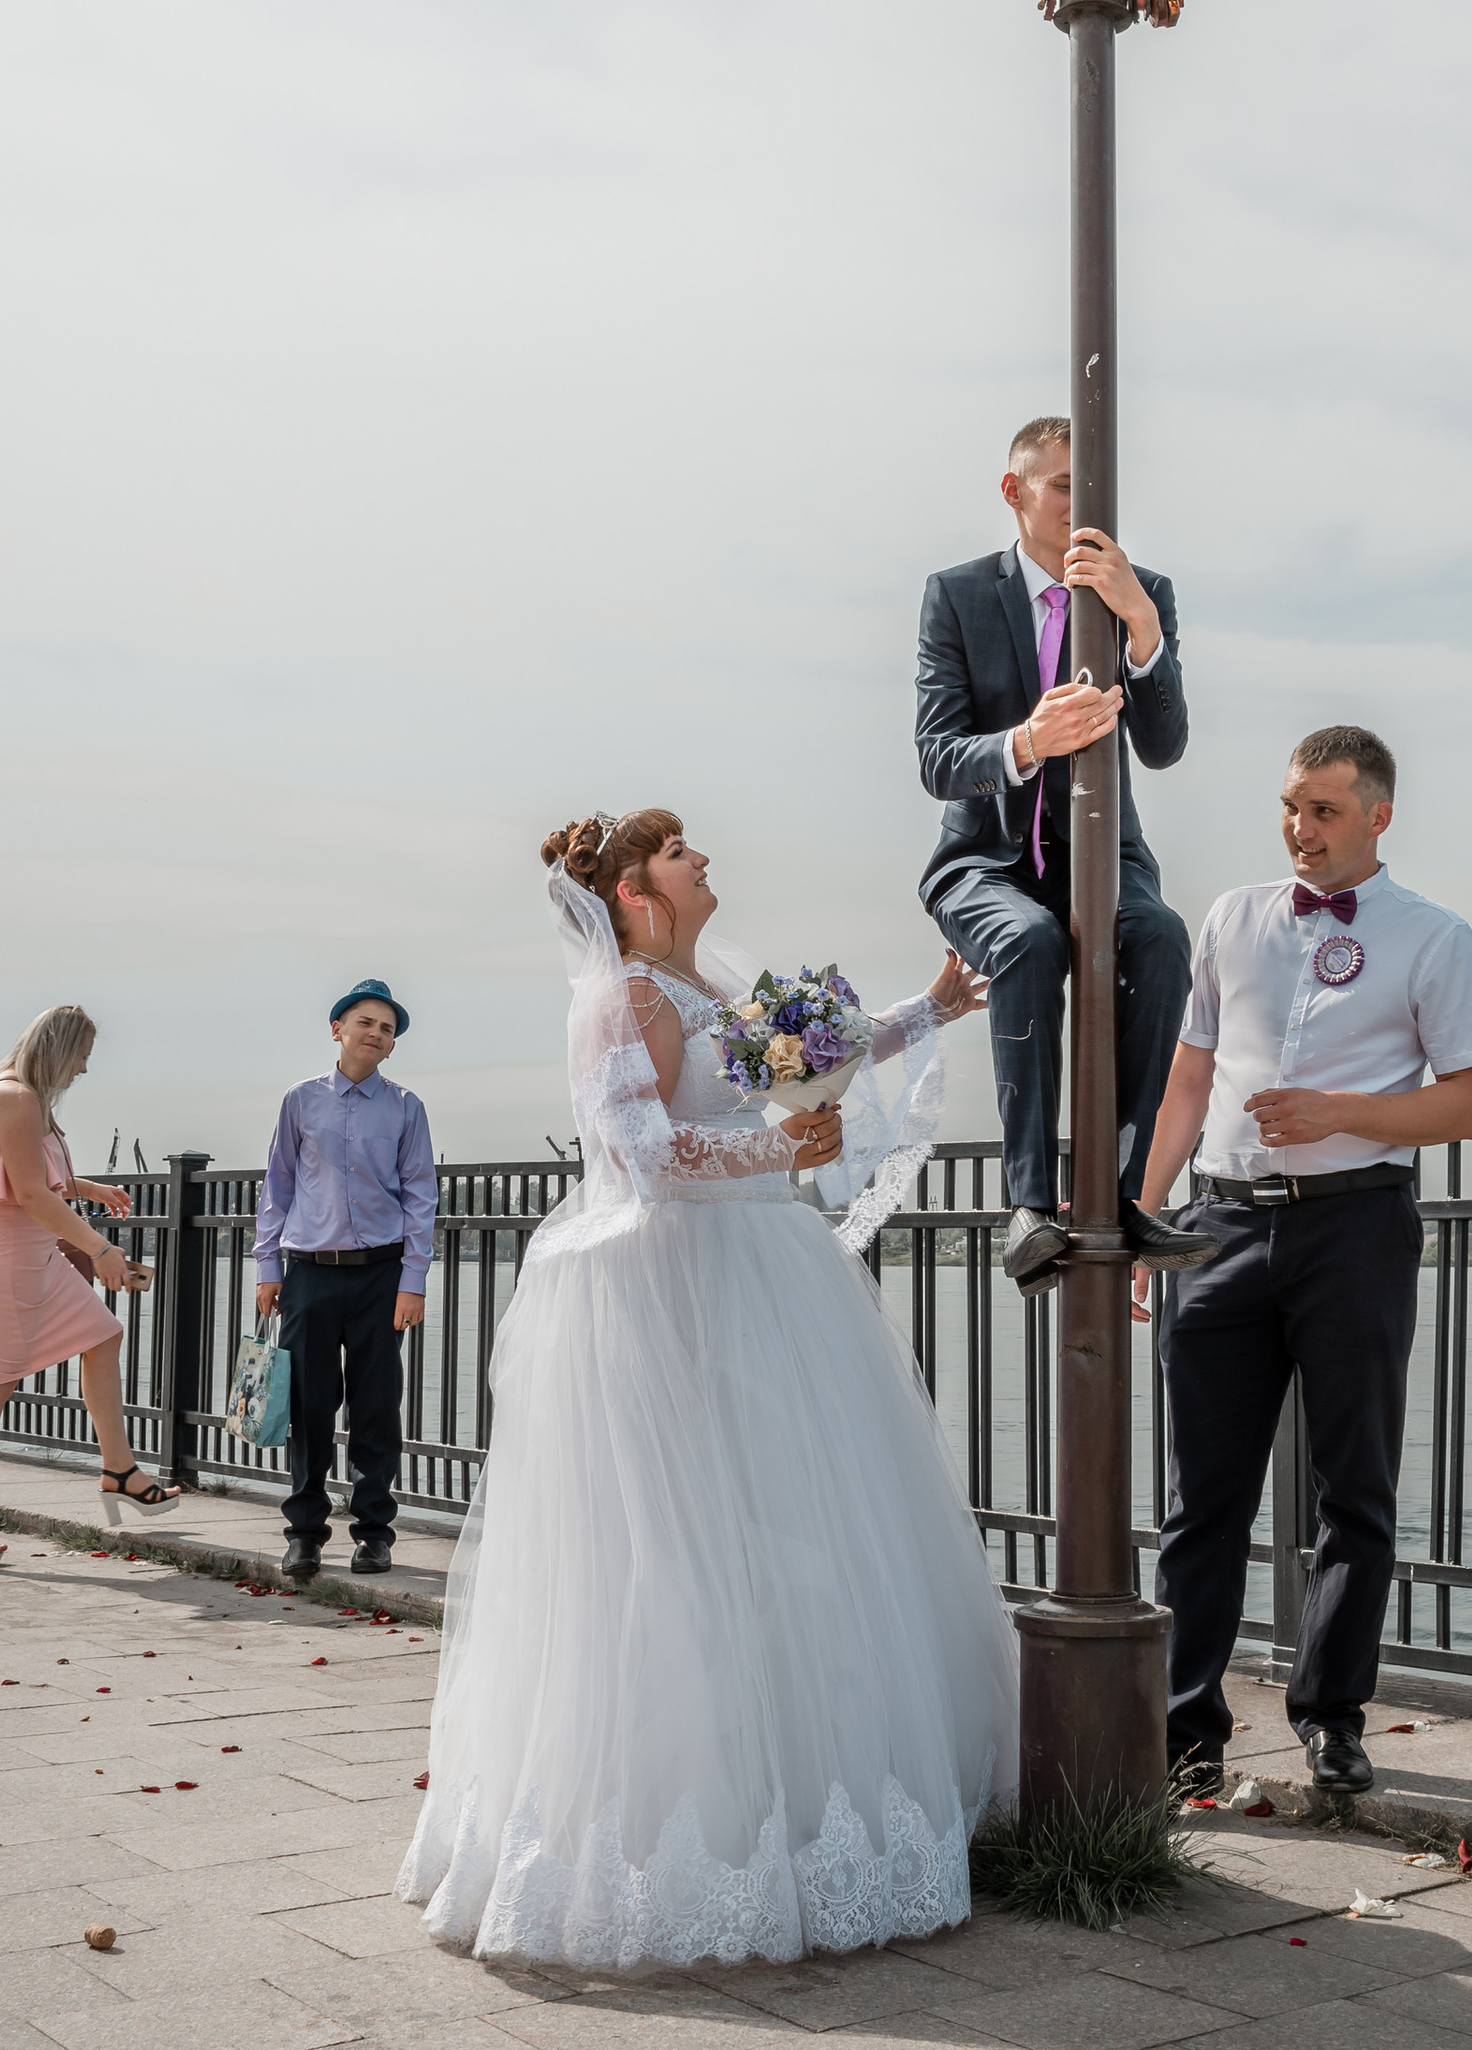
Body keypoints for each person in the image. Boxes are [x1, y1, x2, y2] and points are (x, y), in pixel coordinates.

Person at [398, 811, 1015, 1969]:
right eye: (682, 855)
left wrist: (928, 1006)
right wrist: (779, 1153)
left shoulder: (708, 990)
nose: (705, 862)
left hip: (758, 1271)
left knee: (784, 1529)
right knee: (682, 1541)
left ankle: (796, 1799)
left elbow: (804, 1060)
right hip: (675, 1282)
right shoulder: (626, 999)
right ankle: (683, 1836)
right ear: (636, 892)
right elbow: (642, 1152)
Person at [1140, 725, 1472, 1803]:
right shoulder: (1231, 918)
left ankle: (1329, 1717)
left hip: (1354, 1229)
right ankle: (1183, 1727)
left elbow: (1469, 1102)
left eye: (1325, 810)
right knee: (1200, 1498)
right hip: (1219, 1227)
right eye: (1292, 805)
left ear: (1377, 815)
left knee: (1357, 1492)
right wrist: (1138, 1217)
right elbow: (1189, 1080)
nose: (1301, 828)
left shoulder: (1434, 937)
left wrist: (1338, 1112)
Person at [915, 415, 1206, 1289]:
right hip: (987, 862)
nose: (1086, 502)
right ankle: (1031, 1203)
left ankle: (1122, 1195)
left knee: (1160, 938)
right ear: (1015, 492)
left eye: (1098, 485)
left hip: (1103, 859)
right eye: (1065, 484)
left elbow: (1163, 747)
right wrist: (1027, 741)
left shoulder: (1142, 590)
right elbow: (937, 759)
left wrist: (1142, 626)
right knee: (1031, 942)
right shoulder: (957, 594)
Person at [0, 1005, 175, 1565]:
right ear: (61, 1049)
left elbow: (28, 1176)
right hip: (11, 1254)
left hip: (29, 1249)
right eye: (83, 1056)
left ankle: (120, 1470)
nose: (84, 1069)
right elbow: (32, 1195)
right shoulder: (17, 1098)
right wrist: (102, 1249)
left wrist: (89, 1188)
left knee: (102, 1335)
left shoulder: (16, 1093)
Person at [255, 984, 436, 1581]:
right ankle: (304, 1534)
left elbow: (419, 1196)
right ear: (337, 1028)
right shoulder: (300, 1101)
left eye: (387, 1029)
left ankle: (374, 1534)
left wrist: (413, 1281)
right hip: (309, 1275)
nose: (377, 1034)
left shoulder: (407, 1107)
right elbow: (277, 1187)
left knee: (376, 1406)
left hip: (384, 1279)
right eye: (366, 1023)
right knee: (308, 1407)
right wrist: (267, 1269)